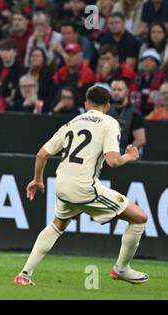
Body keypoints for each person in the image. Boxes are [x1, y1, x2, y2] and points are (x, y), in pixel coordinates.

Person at [14, 85, 149, 286]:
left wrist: (38, 180)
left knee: (57, 225)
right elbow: (113, 161)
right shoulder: (110, 122)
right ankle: (121, 269)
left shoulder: (73, 122)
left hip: (62, 184)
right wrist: (129, 156)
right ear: (108, 106)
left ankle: (24, 275)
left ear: (86, 104)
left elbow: (42, 154)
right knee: (139, 218)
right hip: (85, 187)